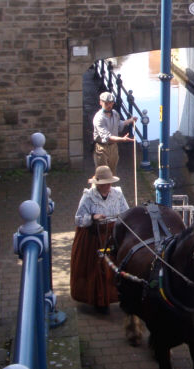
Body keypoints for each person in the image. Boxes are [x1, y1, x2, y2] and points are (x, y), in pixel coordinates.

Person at [70, 165, 129, 313]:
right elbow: (78, 219)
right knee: (97, 267)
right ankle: (100, 300)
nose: (108, 186)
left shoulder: (118, 194)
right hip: (94, 236)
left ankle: (116, 295)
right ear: (98, 184)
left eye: (109, 183)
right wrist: (93, 217)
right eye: (104, 184)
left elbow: (126, 212)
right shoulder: (88, 196)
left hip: (113, 234)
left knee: (116, 265)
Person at [92, 91, 137, 175]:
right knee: (102, 175)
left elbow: (119, 124)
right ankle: (95, 188)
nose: (109, 105)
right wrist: (122, 139)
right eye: (106, 103)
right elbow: (107, 137)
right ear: (100, 102)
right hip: (101, 148)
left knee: (112, 173)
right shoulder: (98, 118)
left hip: (113, 147)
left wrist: (131, 120)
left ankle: (110, 188)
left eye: (111, 103)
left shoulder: (115, 114)